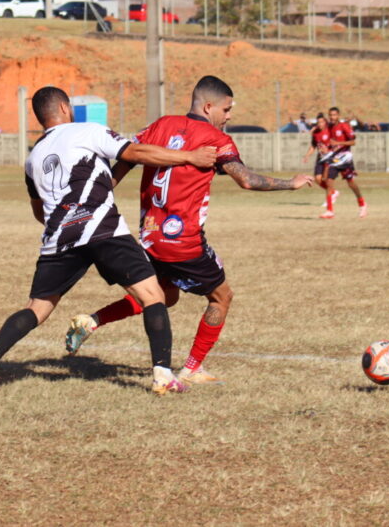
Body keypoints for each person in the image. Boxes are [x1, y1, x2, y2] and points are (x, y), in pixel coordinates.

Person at [0, 86, 218, 396]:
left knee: (37, 309)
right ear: (66, 108)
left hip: (58, 238)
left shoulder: (33, 157)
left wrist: (66, 222)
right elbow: (134, 153)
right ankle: (162, 374)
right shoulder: (87, 130)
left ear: (41, 117)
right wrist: (188, 156)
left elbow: (39, 211)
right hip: (102, 229)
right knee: (153, 296)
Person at [63, 76, 313, 385]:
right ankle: (192, 368)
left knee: (165, 296)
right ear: (209, 107)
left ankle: (92, 321)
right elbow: (247, 180)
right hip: (183, 242)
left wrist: (100, 194)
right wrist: (291, 183)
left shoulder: (159, 125)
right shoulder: (215, 140)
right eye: (227, 109)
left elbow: (127, 159)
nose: (229, 116)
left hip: (151, 236)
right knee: (221, 297)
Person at [320, 107, 367, 219]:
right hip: (335, 158)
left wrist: (339, 142)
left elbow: (353, 142)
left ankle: (362, 204)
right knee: (328, 182)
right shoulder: (329, 127)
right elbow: (331, 143)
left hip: (345, 158)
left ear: (338, 116)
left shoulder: (344, 126)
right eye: (330, 115)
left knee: (351, 183)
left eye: (334, 115)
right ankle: (330, 211)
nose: (332, 117)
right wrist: (327, 149)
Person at [302, 114, 337, 209]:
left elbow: (337, 144)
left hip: (330, 158)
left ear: (325, 122)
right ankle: (333, 192)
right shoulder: (316, 133)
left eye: (322, 122)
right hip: (320, 158)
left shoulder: (330, 131)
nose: (320, 124)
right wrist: (307, 156)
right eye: (318, 122)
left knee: (327, 179)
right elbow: (313, 146)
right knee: (317, 179)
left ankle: (329, 200)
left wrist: (329, 150)